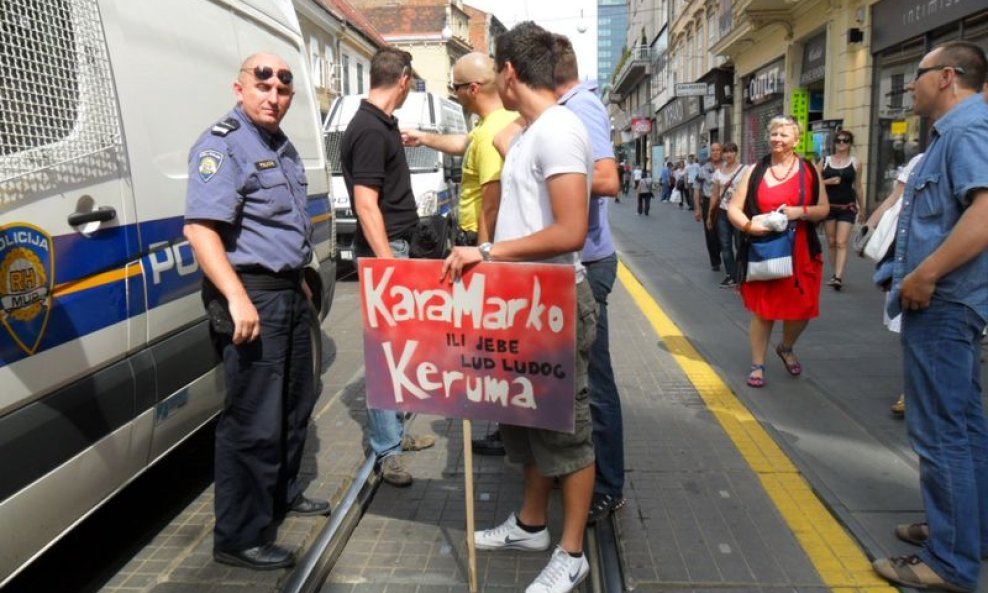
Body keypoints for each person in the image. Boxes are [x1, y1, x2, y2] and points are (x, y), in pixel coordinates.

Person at [441, 22, 597, 593]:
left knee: (568, 430)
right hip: (520, 304)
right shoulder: (532, 130)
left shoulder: (557, 130)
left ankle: (573, 551)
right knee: (527, 420)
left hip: (553, 302)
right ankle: (532, 524)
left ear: (509, 73)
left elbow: (571, 229)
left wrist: (486, 250)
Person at [184, 53, 330, 571]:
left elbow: (281, 225)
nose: (273, 96)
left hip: (288, 293)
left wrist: (300, 284)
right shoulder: (223, 144)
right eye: (262, 84)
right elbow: (202, 231)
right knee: (253, 418)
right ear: (240, 88)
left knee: (295, 402)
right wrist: (237, 297)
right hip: (251, 297)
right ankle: (239, 536)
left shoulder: (278, 143)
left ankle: (280, 495)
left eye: (283, 89)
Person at [872, 41, 988, 593]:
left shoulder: (966, 132)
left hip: (943, 304)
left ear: (946, 77)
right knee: (964, 426)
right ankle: (967, 535)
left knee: (941, 434)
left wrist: (925, 274)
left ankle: (949, 563)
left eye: (916, 75)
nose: (909, 86)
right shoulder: (955, 134)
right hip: (951, 302)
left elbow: (985, 214)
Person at [403, 52, 518, 457]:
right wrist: (422, 137)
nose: (453, 94)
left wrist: (480, 253)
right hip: (482, 242)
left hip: (480, 242)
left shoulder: (491, 135)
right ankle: (510, 431)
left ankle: (510, 434)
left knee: (492, 344)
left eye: (455, 87)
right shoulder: (494, 124)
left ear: (472, 90)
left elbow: (492, 200)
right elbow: (461, 144)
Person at [340, 47, 436, 487]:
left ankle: (395, 432)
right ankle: (387, 450)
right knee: (385, 353)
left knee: (402, 349)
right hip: (387, 252)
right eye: (412, 82)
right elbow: (365, 204)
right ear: (402, 81)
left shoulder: (381, 125)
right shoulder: (369, 130)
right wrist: (387, 266)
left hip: (398, 246)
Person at [551, 34, 625, 524]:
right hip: (579, 260)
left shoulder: (582, 108)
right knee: (580, 375)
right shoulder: (572, 107)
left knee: (594, 381)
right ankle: (588, 473)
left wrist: (552, 173)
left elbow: (608, 179)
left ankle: (610, 484)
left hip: (591, 262)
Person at [727, 116, 829, 388]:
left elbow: (824, 209)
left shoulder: (808, 170)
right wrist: (750, 226)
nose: (777, 139)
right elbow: (734, 208)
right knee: (764, 311)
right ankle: (757, 364)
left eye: (784, 135)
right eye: (773, 133)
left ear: (796, 140)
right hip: (765, 249)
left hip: (801, 250)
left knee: (802, 309)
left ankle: (785, 347)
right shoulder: (755, 170)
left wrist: (800, 211)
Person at [868, 152, 924, 418]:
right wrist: (870, 226)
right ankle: (911, 391)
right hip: (912, 255)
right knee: (911, 330)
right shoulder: (920, 160)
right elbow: (896, 199)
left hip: (952, 266)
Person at [817, 130, 863, 291]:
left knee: (841, 242)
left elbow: (858, 186)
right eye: (838, 140)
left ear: (850, 143)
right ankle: (835, 272)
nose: (841, 143)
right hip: (828, 206)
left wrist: (862, 208)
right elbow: (814, 182)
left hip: (847, 206)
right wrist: (828, 181)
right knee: (831, 242)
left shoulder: (856, 163)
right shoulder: (825, 161)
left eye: (846, 140)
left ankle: (838, 276)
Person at [708, 142, 748, 288]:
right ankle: (731, 275)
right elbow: (714, 195)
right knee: (725, 245)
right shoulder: (718, 172)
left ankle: (742, 274)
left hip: (739, 211)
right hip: (723, 212)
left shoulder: (745, 170)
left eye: (731, 151)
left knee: (740, 244)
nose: (728, 155)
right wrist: (710, 215)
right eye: (726, 152)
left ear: (736, 153)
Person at [695, 144, 724, 271]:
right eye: (713, 150)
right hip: (708, 202)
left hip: (725, 202)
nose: (716, 152)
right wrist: (697, 208)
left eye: (718, 150)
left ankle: (725, 253)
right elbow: (697, 189)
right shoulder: (703, 169)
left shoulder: (727, 166)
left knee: (724, 233)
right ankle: (715, 261)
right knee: (710, 233)